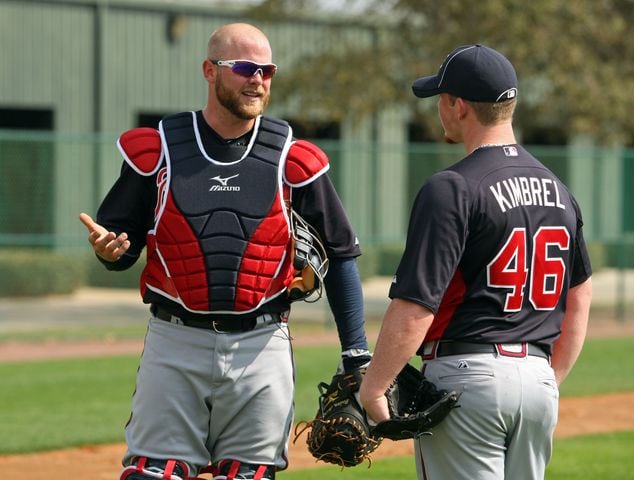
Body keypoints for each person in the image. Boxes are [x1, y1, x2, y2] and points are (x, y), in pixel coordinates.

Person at [79, 22, 370, 480]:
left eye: (267, 70)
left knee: (251, 474)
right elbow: (121, 242)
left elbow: (340, 256)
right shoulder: (158, 150)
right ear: (209, 71)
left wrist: (356, 353)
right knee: (153, 471)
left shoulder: (293, 160)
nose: (258, 79)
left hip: (261, 343)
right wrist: (111, 251)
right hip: (175, 339)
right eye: (244, 68)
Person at [359, 44, 592, 479]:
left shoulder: (451, 187)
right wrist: (546, 379)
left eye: (441, 99)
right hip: (538, 379)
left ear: (458, 105)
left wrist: (374, 387)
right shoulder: (559, 190)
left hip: (467, 379)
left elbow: (415, 307)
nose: (439, 109)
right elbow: (579, 296)